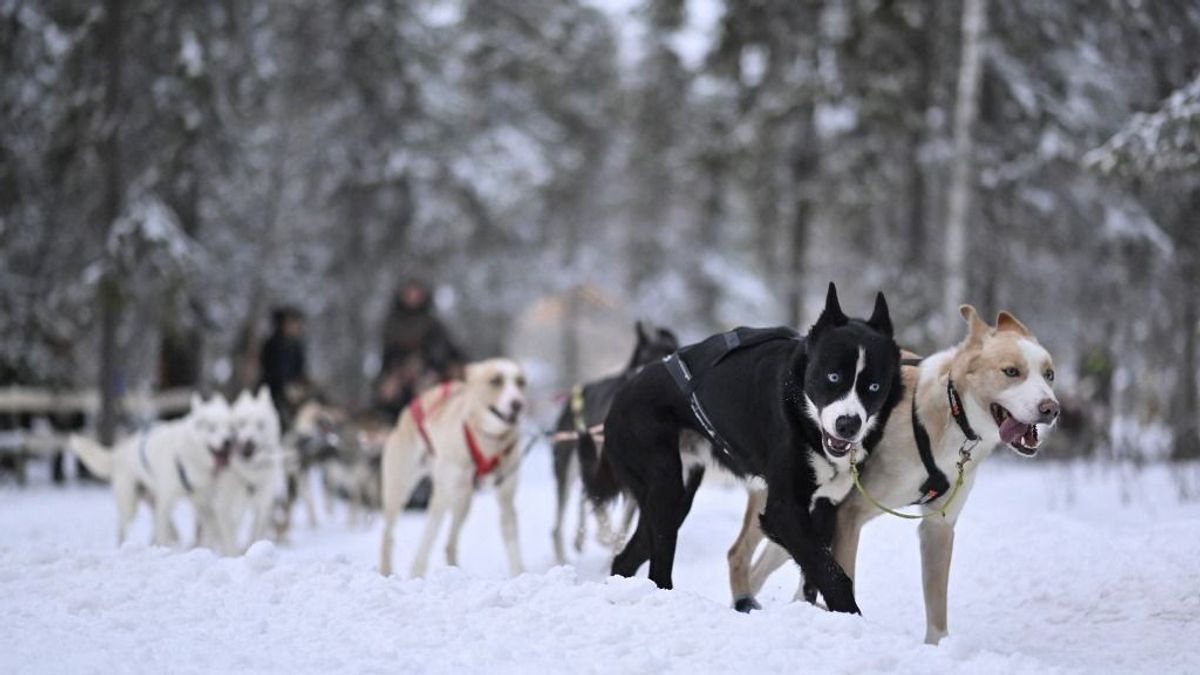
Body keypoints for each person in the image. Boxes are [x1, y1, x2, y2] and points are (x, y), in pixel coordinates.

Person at [374, 281, 464, 420]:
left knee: (426, 391)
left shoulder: (433, 324)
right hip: (399, 374)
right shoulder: (392, 325)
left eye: (417, 291)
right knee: (389, 392)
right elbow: (388, 357)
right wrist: (393, 376)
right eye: (409, 291)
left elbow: (446, 352)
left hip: (427, 371)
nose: (413, 296)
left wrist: (430, 368)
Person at [259, 306, 308, 428]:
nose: (295, 326)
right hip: (274, 392)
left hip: (294, 391)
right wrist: (285, 388)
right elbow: (271, 371)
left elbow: (300, 371)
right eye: (291, 322)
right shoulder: (272, 344)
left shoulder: (297, 347)